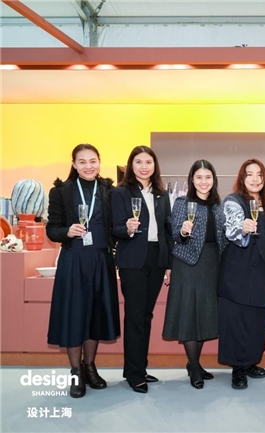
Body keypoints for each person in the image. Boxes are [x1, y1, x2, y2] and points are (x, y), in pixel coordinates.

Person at [46, 143, 120, 398]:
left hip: (101, 260)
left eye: (93, 161)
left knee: (95, 316)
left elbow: (115, 228)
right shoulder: (61, 192)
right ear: (74, 164)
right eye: (82, 161)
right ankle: (76, 371)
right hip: (74, 262)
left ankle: (90, 367)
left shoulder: (110, 191)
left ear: (99, 162)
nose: (88, 166)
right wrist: (66, 232)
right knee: (74, 316)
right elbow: (52, 229)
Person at [112, 146, 173, 394]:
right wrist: (126, 228)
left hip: (157, 258)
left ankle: (139, 368)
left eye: (148, 162)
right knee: (135, 316)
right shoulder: (121, 192)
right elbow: (115, 228)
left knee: (146, 315)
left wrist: (169, 264)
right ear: (131, 165)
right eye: (139, 162)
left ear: (155, 165)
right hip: (133, 260)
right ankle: (134, 373)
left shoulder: (161, 194)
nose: (144, 166)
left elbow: (167, 230)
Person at [162, 160, 226, 390]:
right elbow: (175, 233)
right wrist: (182, 231)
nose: (203, 182)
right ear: (191, 180)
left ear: (213, 180)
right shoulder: (182, 202)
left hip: (212, 264)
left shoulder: (218, 206)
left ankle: (194, 364)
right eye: (199, 177)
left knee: (204, 314)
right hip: (187, 264)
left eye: (208, 177)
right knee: (189, 314)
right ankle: (195, 367)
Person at [218, 159, 265, 390]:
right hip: (238, 273)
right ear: (242, 178)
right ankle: (238, 368)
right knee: (237, 322)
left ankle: (251, 361)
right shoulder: (233, 201)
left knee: (257, 321)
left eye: (259, 174)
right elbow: (231, 229)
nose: (255, 179)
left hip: (263, 272)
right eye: (249, 174)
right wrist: (241, 229)